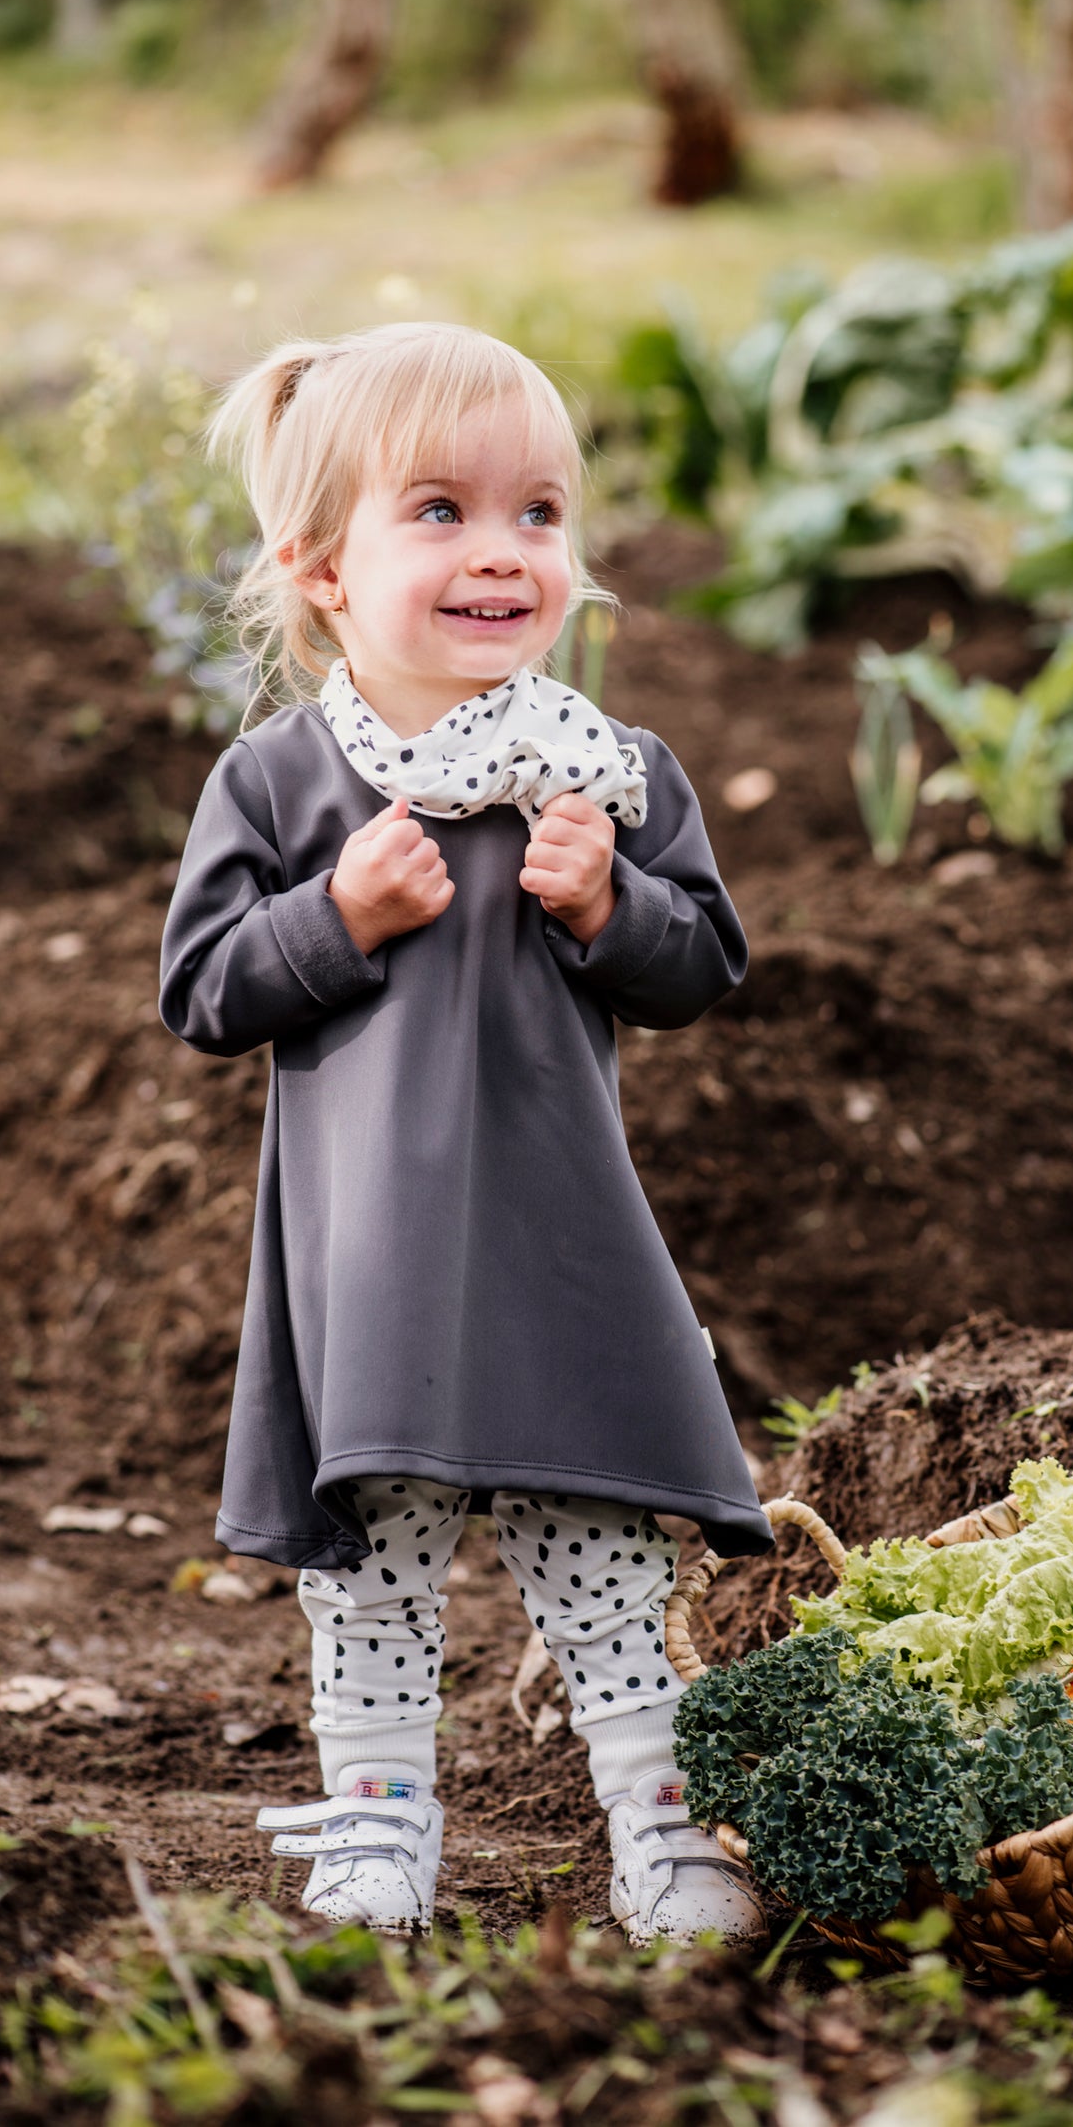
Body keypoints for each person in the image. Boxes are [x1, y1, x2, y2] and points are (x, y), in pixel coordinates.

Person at [159, 320, 771, 1944]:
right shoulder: (286, 784)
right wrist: (337, 912)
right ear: (318, 568)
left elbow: (701, 962)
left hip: (557, 1240)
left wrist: (607, 900)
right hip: (369, 1260)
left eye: (539, 514)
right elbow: (205, 990)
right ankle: (375, 1816)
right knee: (374, 1556)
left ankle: (661, 1819)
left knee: (600, 1547)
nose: (502, 551)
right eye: (438, 511)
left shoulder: (610, 775)